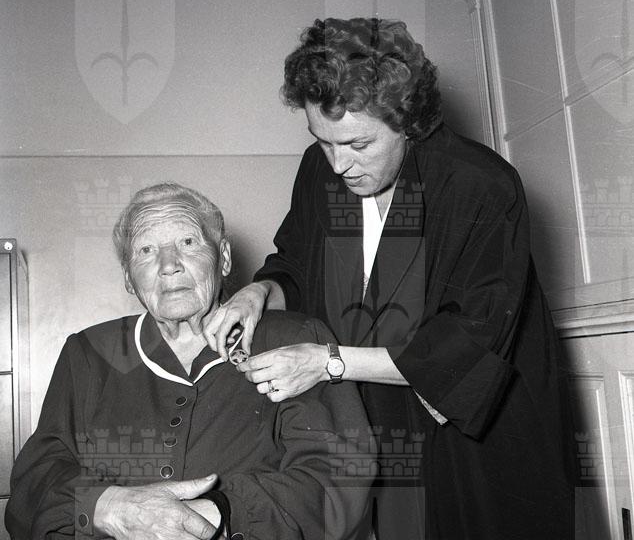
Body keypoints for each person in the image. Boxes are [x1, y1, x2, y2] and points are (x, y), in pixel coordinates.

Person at [206, 18, 576, 539]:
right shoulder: (319, 171)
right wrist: (258, 292)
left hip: (475, 437)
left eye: (358, 144)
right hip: (374, 419)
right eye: (324, 141)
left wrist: (326, 363)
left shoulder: (480, 185)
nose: (339, 164)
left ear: (408, 122)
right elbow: (297, 266)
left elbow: (466, 344)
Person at [5, 182, 373, 540]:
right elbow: (33, 484)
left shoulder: (294, 339)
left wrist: (218, 513)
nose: (169, 265)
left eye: (187, 242)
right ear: (129, 279)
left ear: (223, 258)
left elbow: (339, 477)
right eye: (146, 250)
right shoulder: (89, 352)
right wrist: (113, 509)